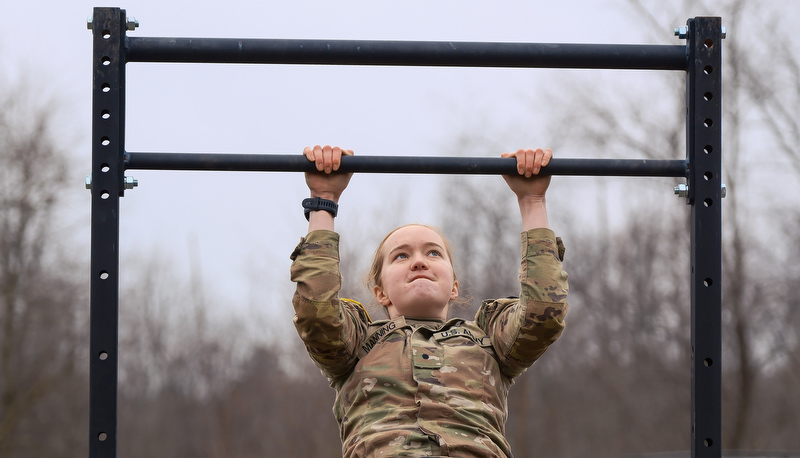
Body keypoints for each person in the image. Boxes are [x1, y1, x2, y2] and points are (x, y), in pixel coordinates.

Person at [290, 145, 569, 457]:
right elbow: (317, 310)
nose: (419, 262)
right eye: (401, 256)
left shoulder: (490, 340)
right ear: (380, 291)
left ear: (453, 286)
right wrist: (323, 201)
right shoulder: (356, 343)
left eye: (433, 252)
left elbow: (542, 312)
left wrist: (533, 202)